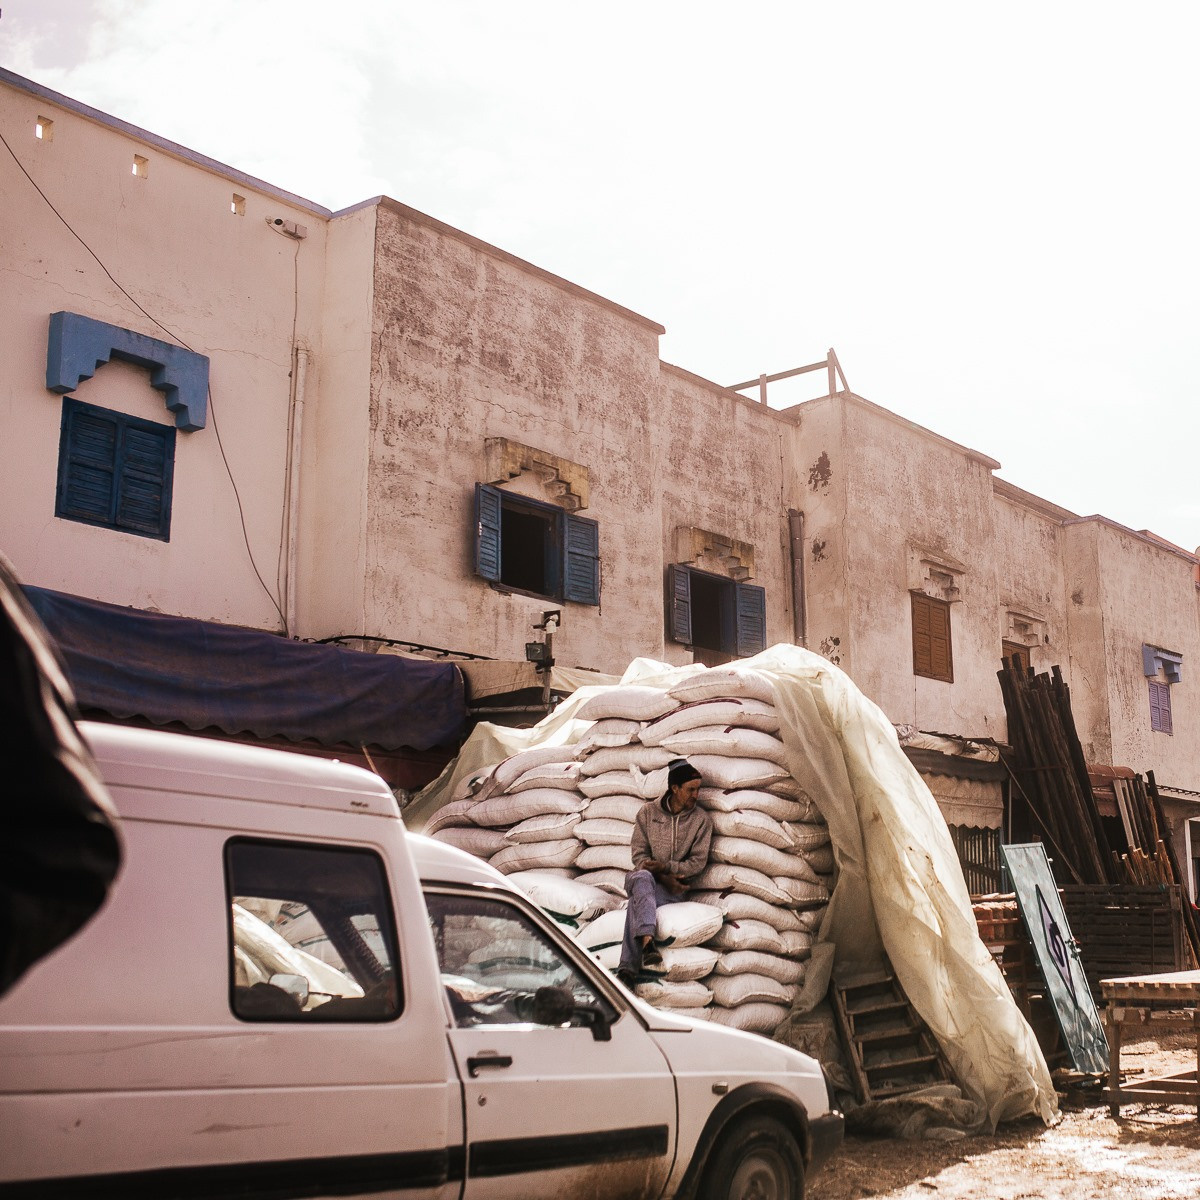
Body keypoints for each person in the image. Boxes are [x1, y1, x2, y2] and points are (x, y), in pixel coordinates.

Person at [616, 757, 712, 987]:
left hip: (673, 890)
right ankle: (647, 942)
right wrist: (659, 873)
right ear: (674, 788)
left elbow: (697, 863)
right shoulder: (647, 814)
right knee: (641, 877)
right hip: (645, 878)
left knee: (637, 903)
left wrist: (667, 869)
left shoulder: (701, 821)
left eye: (698, 789)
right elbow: (639, 856)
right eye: (690, 790)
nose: (696, 795)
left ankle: (628, 969)